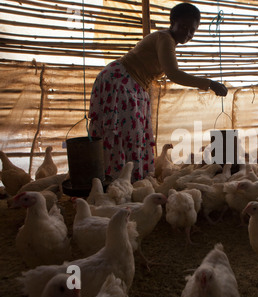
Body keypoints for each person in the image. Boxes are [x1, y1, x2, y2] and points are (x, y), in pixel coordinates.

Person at [88, 2, 227, 182]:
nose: (187, 33)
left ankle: (123, 181)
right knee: (123, 133)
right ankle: (116, 180)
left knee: (129, 135)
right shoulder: (165, 38)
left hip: (130, 84)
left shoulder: (167, 41)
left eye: (192, 30)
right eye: (183, 26)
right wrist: (210, 84)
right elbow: (173, 73)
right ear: (173, 22)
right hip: (120, 81)